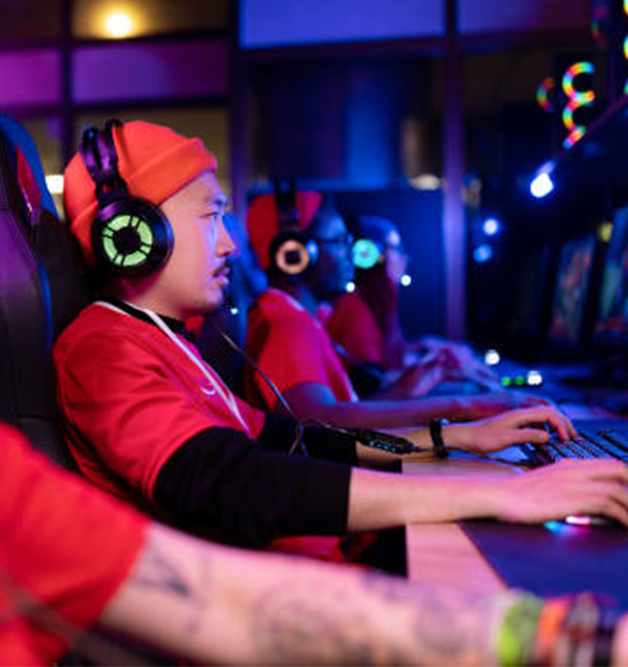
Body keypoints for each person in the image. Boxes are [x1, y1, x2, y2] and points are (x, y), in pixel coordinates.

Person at [0, 1, 628, 665]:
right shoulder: (103, 348)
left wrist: (574, 637)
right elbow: (229, 486)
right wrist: (487, 477)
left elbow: (215, 594)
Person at [53, 119, 628, 554]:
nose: (229, 244)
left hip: (310, 576)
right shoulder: (102, 350)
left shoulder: (173, 343)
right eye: (211, 217)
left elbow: (299, 440)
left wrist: (456, 436)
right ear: (130, 236)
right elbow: (235, 482)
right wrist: (501, 493)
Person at [242, 191, 542, 429]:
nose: (351, 254)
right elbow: (318, 423)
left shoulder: (304, 318)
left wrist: (409, 387)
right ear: (293, 255)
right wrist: (464, 407)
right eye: (339, 241)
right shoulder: (285, 325)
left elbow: (348, 408)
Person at [328, 214, 498, 397]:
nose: (405, 258)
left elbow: (387, 361)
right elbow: (373, 385)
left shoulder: (374, 304)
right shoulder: (355, 308)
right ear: (371, 254)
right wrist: (444, 370)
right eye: (397, 249)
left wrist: (423, 345)